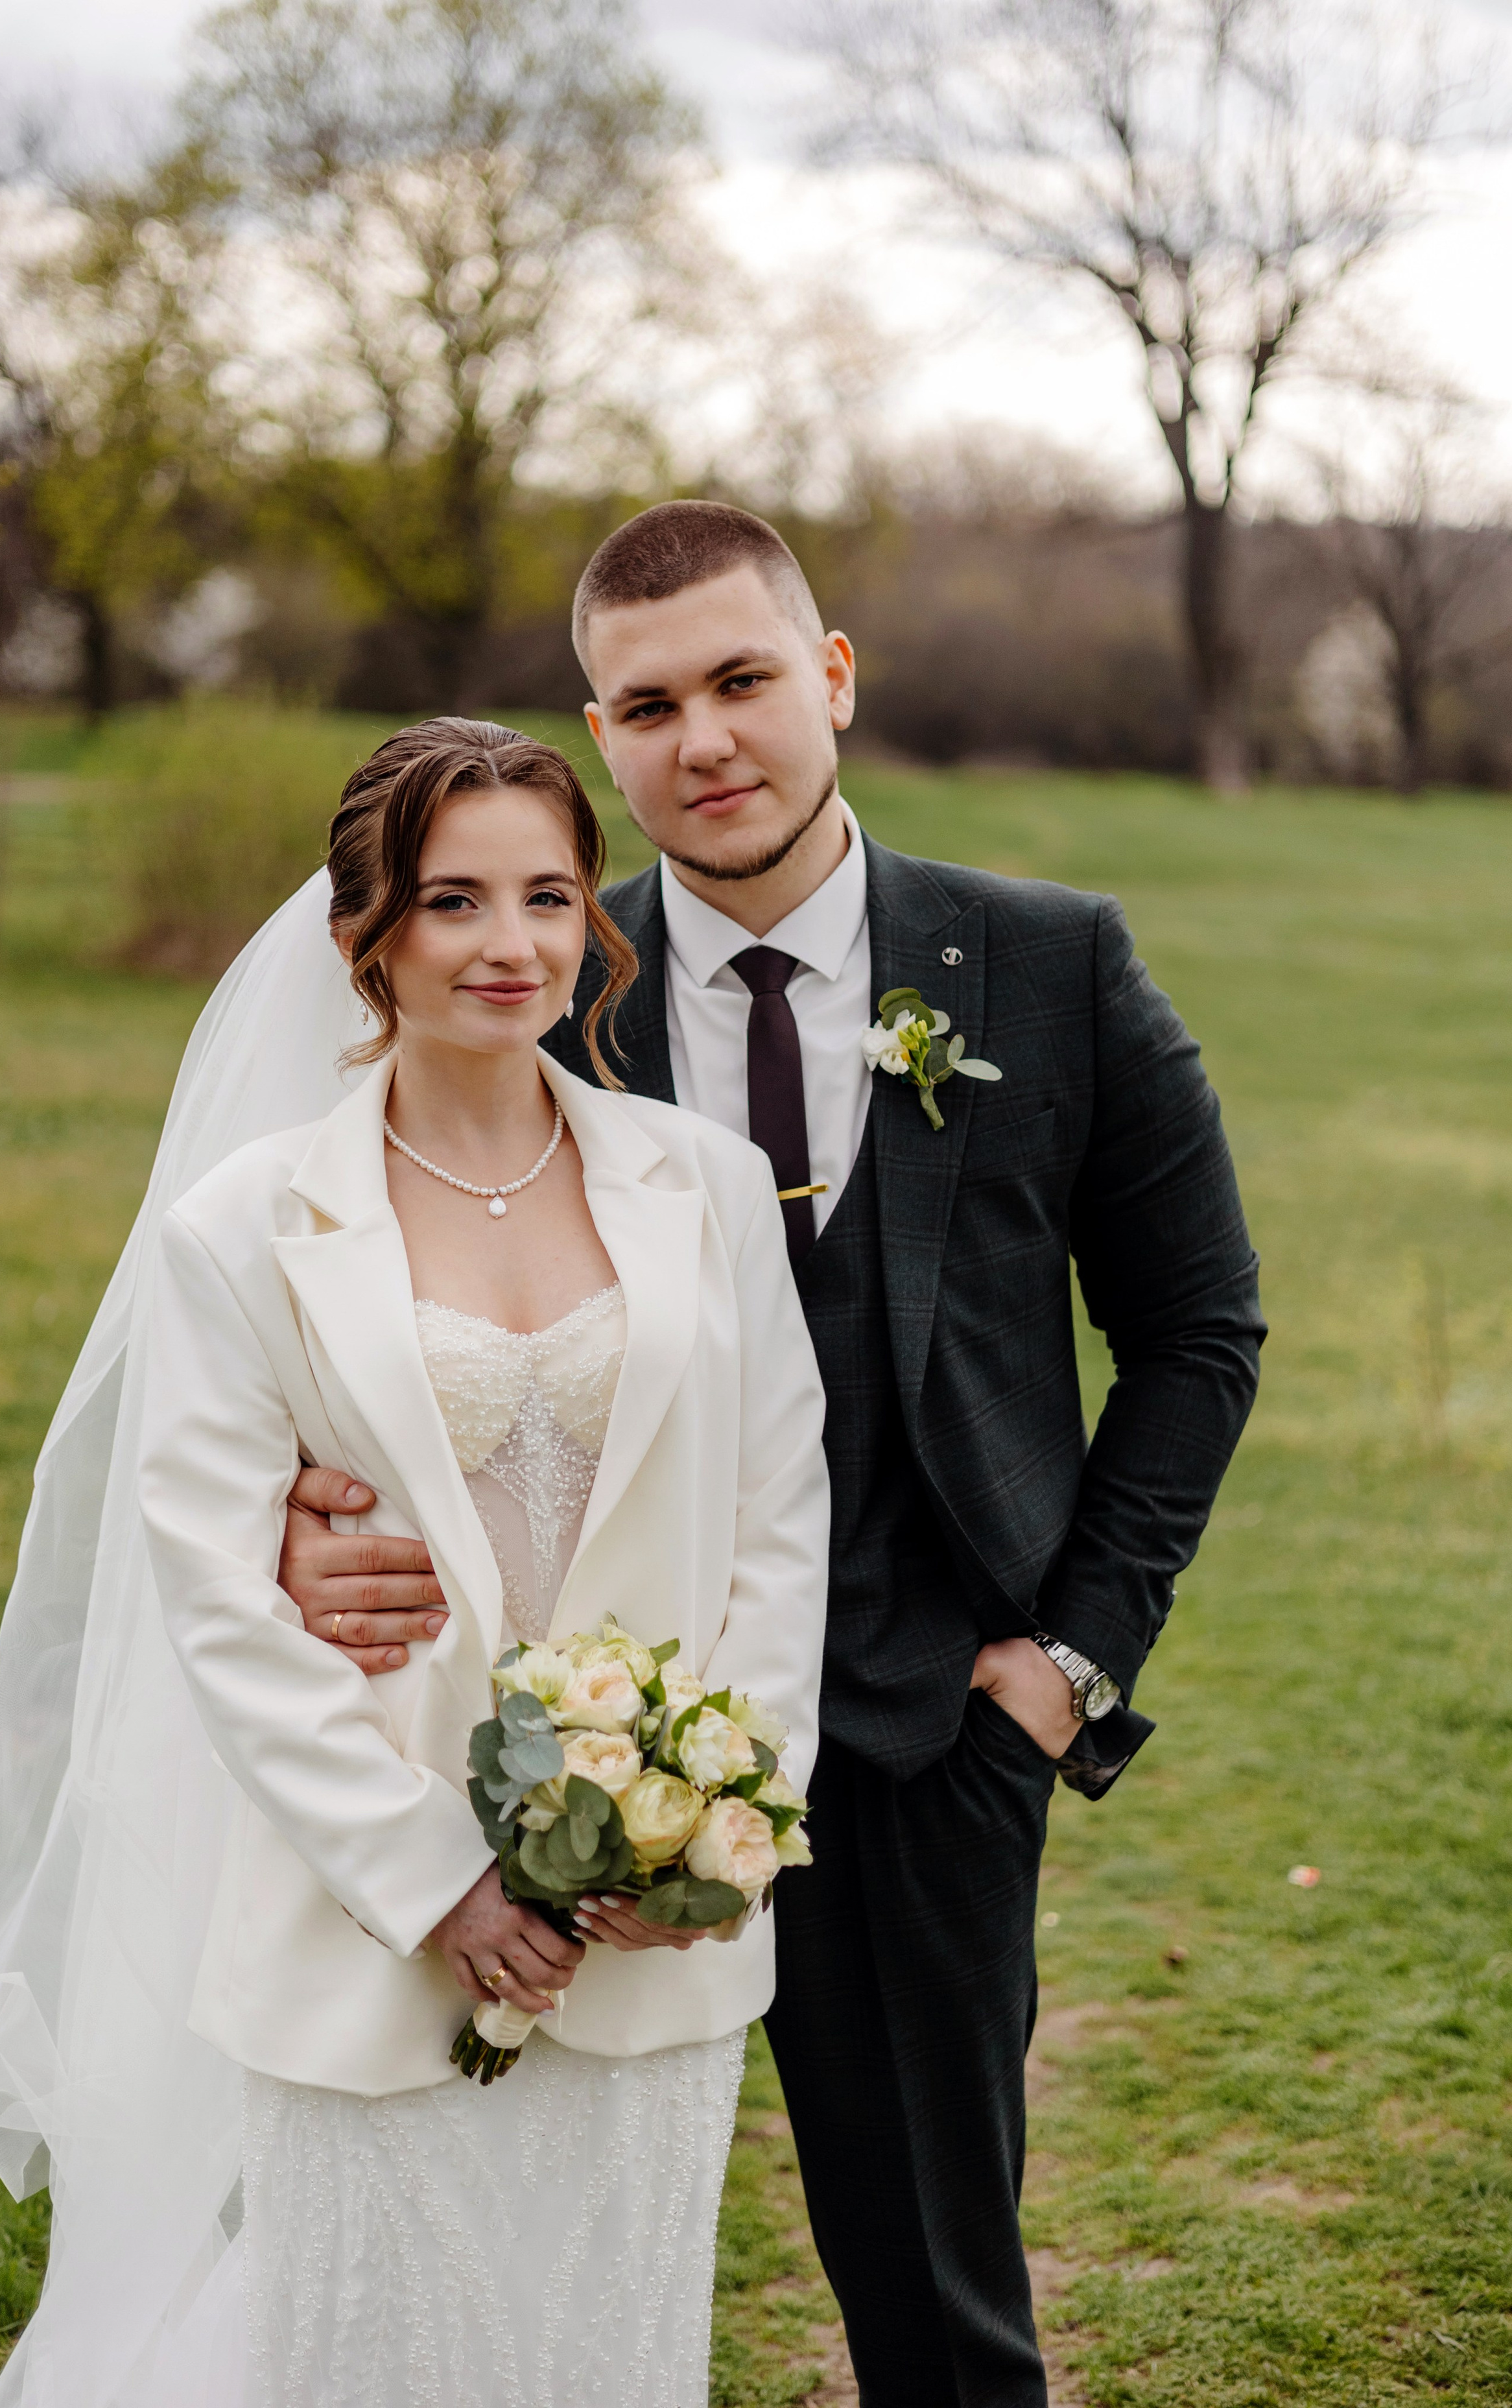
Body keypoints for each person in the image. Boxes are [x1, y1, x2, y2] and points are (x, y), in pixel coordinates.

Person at [281, 504, 1266, 2407]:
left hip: (932, 1752)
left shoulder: (1051, 968)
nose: (704, 739)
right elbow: (348, 1292)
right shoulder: (531, 971)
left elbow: (1201, 1330)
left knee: (939, 2319)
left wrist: (1062, 1669)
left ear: (828, 679)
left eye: (743, 680)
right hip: (561, 1756)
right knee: (509, 2278)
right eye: (649, 704)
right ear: (599, 724)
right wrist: (308, 1523)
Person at [0, 717, 828, 2407]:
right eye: (455, 901)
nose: (512, 945)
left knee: (610, 2351)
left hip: (659, 1939)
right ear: (369, 933)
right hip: (364, 1936)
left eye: (551, 896)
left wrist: (718, 1811)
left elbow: (783, 1519)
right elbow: (219, 1596)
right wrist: (441, 1877)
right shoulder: (247, 1227)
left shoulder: (705, 1189)